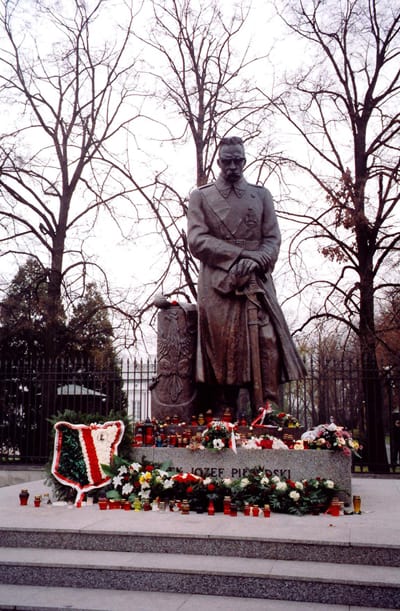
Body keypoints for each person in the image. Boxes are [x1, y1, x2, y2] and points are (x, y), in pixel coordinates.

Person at [187, 136, 306, 417]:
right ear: (218, 162)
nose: (232, 167)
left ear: (244, 160)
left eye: (237, 160)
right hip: (218, 284)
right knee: (225, 349)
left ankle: (268, 407)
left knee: (267, 340)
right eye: (227, 161)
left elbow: (272, 239)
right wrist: (240, 256)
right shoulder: (201, 197)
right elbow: (197, 240)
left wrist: (256, 261)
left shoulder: (261, 195)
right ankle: (223, 411)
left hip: (257, 281)